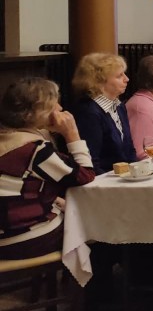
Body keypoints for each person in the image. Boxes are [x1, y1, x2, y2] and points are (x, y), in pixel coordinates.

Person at [0, 78, 96, 260]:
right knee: (97, 223)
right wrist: (72, 134)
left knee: (71, 210)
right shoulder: (35, 150)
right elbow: (85, 176)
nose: (60, 108)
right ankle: (101, 277)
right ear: (34, 113)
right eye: (53, 105)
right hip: (23, 240)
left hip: (6, 235)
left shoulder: (8, 137)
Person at [69, 52, 136, 175]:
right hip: (103, 180)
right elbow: (92, 162)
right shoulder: (89, 112)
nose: (127, 79)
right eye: (119, 76)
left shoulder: (119, 106)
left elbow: (129, 149)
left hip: (124, 176)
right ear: (99, 81)